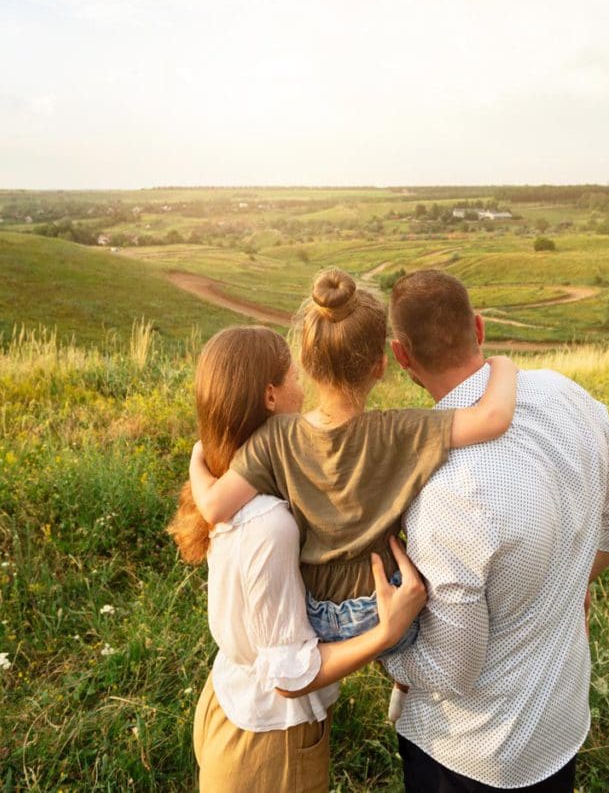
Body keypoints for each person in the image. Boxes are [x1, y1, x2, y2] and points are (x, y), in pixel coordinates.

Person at [383, 270, 609, 793]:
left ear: (401, 355)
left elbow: (451, 671)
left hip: (470, 752)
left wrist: (386, 648)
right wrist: (569, 586)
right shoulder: (568, 395)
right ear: (477, 328)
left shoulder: (442, 488)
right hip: (560, 722)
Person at [188, 268, 518, 666]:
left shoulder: (275, 436)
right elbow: (494, 417)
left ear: (307, 365)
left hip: (315, 617)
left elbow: (213, 508)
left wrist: (197, 458)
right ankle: (404, 681)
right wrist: (503, 365)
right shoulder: (399, 430)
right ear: (381, 366)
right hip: (383, 607)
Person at [168, 326, 427, 792]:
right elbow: (290, 675)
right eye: (292, 375)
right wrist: (387, 631)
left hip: (230, 699)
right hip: (270, 739)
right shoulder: (269, 523)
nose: (302, 386)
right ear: (270, 395)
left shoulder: (226, 478)